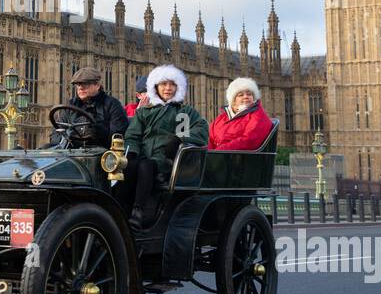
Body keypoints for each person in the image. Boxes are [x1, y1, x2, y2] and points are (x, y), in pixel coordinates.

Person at [121, 64, 209, 224]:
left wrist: (179, 140)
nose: (168, 88)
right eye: (163, 84)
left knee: (145, 166)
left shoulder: (182, 112)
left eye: (172, 84)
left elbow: (200, 131)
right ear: (156, 87)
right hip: (143, 157)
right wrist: (131, 152)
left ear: (178, 87)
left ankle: (139, 212)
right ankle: (121, 210)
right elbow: (132, 135)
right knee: (128, 167)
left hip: (168, 161)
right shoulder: (144, 112)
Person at [65, 67, 128, 148]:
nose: (80, 88)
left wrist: (98, 130)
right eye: (78, 84)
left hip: (100, 153)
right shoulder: (71, 105)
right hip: (72, 152)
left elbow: (117, 136)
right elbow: (57, 132)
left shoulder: (113, 105)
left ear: (97, 85)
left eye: (86, 84)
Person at [208, 77, 273, 151]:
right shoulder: (222, 118)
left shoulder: (258, 115)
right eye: (241, 95)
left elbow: (249, 140)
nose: (246, 97)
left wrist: (217, 152)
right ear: (233, 100)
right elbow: (209, 138)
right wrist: (205, 153)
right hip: (217, 156)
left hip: (239, 158)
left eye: (249, 94)